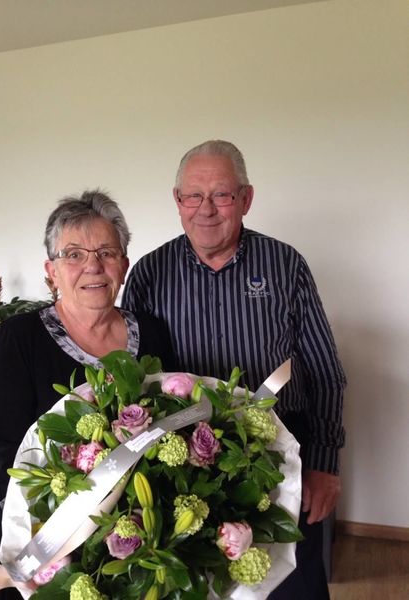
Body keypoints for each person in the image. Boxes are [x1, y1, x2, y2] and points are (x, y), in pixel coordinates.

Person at [121, 140, 346, 599]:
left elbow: (324, 370)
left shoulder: (285, 265)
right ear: (177, 200)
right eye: (193, 195)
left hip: (282, 451)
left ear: (246, 199)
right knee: (207, 585)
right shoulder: (147, 273)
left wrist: (323, 465)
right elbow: (134, 381)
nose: (206, 209)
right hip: (187, 463)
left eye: (221, 194)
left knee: (293, 582)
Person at [0, 189, 175, 599]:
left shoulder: (153, 332)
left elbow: (172, 424)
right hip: (46, 545)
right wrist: (56, 538)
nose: (93, 266)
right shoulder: (18, 339)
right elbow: (3, 461)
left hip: (138, 539)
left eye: (106, 252)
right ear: (51, 270)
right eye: (73, 254)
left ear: (124, 265)